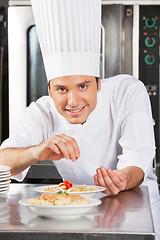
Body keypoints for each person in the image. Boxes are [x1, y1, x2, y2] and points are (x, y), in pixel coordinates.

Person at [0, 0, 159, 197]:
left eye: (83, 86)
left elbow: (138, 157)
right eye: (62, 89)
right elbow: (2, 161)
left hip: (137, 205)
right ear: (49, 90)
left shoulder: (127, 91)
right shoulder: (42, 112)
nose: (73, 101)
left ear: (98, 84)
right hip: (80, 206)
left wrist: (122, 178)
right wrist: (36, 152)